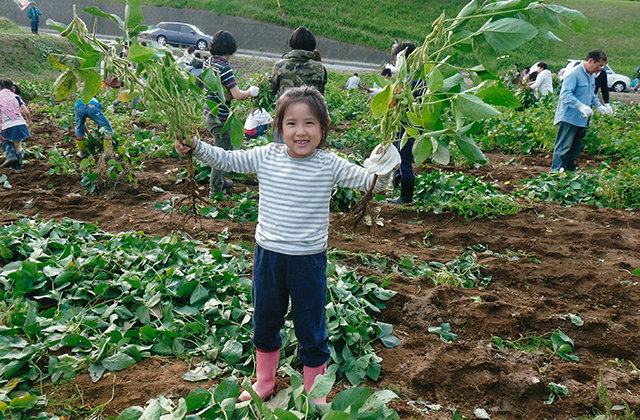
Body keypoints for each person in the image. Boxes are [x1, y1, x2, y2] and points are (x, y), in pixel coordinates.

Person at [174, 86, 400, 404]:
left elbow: (370, 182)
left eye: (310, 123)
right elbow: (225, 158)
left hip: (308, 261)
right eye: (291, 123)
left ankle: (315, 394)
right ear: (279, 128)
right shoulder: (267, 156)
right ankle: (264, 381)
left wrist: (385, 164)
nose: (300, 131)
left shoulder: (329, 164)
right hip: (269, 256)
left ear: (323, 127)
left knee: (311, 326)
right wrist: (195, 146)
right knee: (266, 320)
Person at [203, 30, 259, 196]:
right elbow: (237, 95)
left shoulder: (209, 62)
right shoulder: (224, 67)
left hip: (209, 113)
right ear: (230, 48)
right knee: (222, 153)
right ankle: (215, 189)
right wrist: (250, 91)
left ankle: (220, 180)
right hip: (220, 118)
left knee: (223, 148)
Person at [551, 49, 612, 172]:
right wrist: (581, 106)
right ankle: (556, 173)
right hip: (570, 117)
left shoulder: (591, 76)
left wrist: (599, 106)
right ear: (590, 61)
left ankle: (568, 173)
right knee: (563, 148)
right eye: (599, 65)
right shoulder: (574, 74)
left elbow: (592, 94)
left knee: (574, 148)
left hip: (582, 119)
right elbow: (565, 94)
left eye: (603, 67)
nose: (600, 69)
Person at [388, 40, 419, 204]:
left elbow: (404, 100)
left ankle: (406, 197)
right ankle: (398, 187)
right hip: (408, 123)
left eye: (397, 59)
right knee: (399, 152)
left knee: (404, 156)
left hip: (409, 124)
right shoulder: (418, 76)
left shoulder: (411, 79)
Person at [268, 26, 328, 98]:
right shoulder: (319, 68)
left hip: (285, 107)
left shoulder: (280, 65)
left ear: (292, 42)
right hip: (309, 108)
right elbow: (320, 95)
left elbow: (272, 91)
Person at [0, 79, 31, 170]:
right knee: (17, 146)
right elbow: (27, 112)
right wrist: (29, 122)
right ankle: (18, 167)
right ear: (12, 88)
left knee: (3, 140)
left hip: (8, 126)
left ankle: (10, 156)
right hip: (20, 125)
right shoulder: (16, 97)